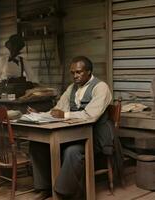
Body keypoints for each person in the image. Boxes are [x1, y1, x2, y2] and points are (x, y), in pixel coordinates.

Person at [29, 56, 116, 199]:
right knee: (37, 145)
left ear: (89, 72)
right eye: (73, 73)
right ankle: (45, 187)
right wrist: (41, 114)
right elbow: (58, 109)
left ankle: (63, 193)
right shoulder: (71, 88)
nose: (75, 76)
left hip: (95, 137)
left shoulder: (101, 88)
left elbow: (91, 115)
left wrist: (65, 115)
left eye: (79, 72)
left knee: (72, 151)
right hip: (73, 135)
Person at [0, 34, 38, 106]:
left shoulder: (23, 61)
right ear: (9, 48)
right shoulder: (2, 60)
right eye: (12, 47)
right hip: (4, 89)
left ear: (19, 49)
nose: (14, 50)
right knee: (0, 103)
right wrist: (1, 81)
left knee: (18, 103)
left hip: (18, 89)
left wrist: (34, 85)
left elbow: (32, 76)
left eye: (16, 48)